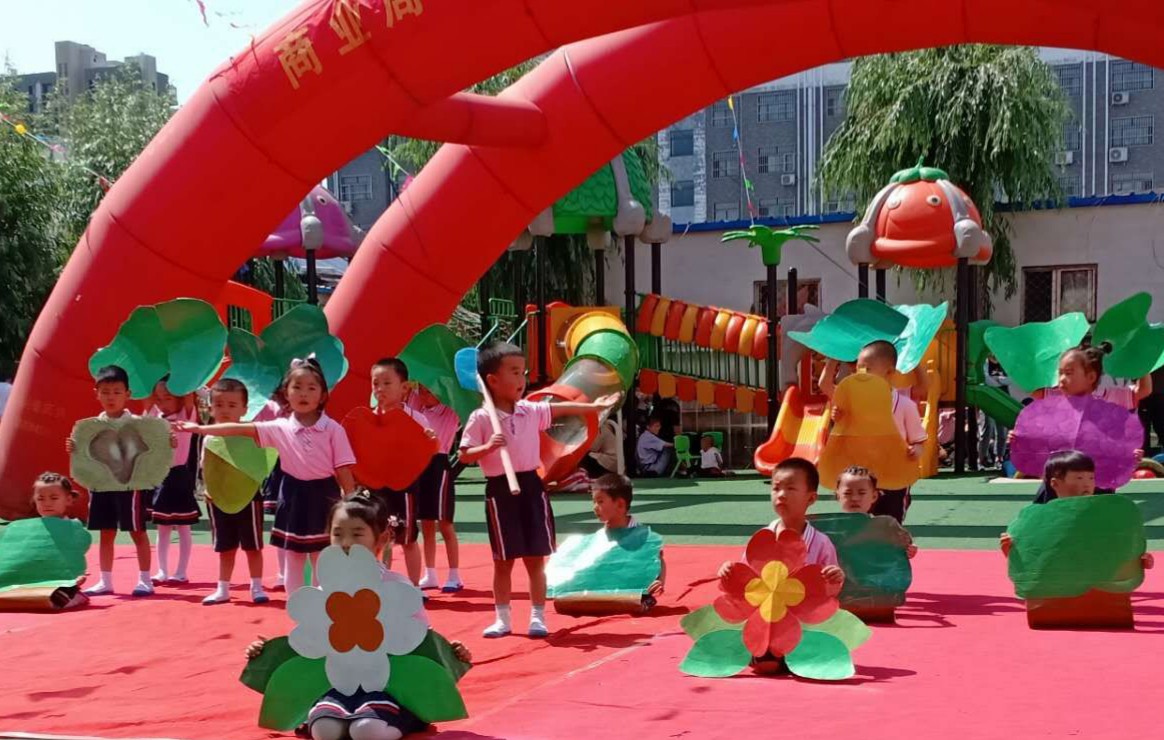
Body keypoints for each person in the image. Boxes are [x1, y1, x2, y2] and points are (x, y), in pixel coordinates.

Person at [244, 494, 472, 740]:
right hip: (338, 683)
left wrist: (454, 654)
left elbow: (420, 640)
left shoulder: (397, 588)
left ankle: (402, 719)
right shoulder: (324, 590)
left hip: (389, 686)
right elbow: (310, 642)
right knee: (324, 730)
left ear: (381, 538)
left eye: (357, 534)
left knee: (366, 730)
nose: (346, 542)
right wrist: (264, 651)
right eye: (338, 534)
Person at [458, 341, 620, 639]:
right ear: (492, 380)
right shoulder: (481, 418)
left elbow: (559, 407)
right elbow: (464, 455)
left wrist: (593, 407)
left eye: (523, 372)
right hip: (499, 490)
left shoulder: (530, 410)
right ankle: (502, 618)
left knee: (536, 558)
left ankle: (537, 616)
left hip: (532, 487)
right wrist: (488, 446)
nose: (521, 379)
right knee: (503, 560)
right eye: (514, 372)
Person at [174, 358, 357, 594]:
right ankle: (296, 604)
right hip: (292, 496)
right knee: (293, 555)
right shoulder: (279, 427)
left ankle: (324, 603)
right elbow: (238, 428)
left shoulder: (333, 429)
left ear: (322, 395)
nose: (304, 393)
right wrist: (200, 429)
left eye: (311, 388)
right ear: (286, 394)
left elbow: (343, 469)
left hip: (325, 496)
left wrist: (351, 503)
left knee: (322, 554)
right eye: (297, 387)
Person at [717, 458, 845, 674]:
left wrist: (836, 578)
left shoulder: (821, 542)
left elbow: (831, 594)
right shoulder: (761, 539)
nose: (781, 494)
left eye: (791, 488)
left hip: (804, 623)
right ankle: (767, 652)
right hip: (768, 621)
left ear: (811, 498)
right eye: (776, 488)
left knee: (809, 653)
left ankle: (792, 654)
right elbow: (746, 584)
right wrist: (728, 572)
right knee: (765, 661)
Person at [66, 365, 167, 597]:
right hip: (102, 485)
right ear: (97, 394)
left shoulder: (139, 424)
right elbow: (85, 455)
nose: (111, 397)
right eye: (105, 392)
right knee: (106, 532)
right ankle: (105, 581)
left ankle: (145, 580)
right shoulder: (90, 427)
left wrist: (166, 442)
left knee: (137, 531)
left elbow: (154, 448)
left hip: (131, 485)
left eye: (116, 392)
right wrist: (74, 447)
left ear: (127, 394)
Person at [1012, 344, 1150, 498]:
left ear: (1091, 377)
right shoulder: (1055, 396)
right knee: (1049, 510)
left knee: (1095, 510)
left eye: (1069, 373)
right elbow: (1031, 389)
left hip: (1096, 479)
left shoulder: (1109, 397)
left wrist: (1143, 364)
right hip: (1060, 479)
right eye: (1060, 373)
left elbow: (1143, 390)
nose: (1062, 379)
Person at [820, 340, 927, 523]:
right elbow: (826, 387)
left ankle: (892, 541)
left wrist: (916, 450)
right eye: (858, 369)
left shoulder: (904, 404)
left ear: (889, 372)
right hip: (862, 475)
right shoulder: (852, 399)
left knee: (890, 521)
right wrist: (839, 416)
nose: (860, 374)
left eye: (867, 369)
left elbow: (919, 440)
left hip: (893, 473)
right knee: (857, 521)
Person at [1002, 450, 1155, 572]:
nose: (1087, 484)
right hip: (1056, 586)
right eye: (1079, 478)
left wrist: (1138, 561)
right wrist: (1013, 551)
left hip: (1097, 588)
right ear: (1055, 483)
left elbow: (1118, 550)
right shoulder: (1041, 519)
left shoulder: (1103, 517)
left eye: (1091, 478)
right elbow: (1032, 555)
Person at [201, 379, 269, 605]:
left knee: (253, 545)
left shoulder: (252, 434)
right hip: (219, 498)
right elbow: (206, 467)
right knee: (225, 547)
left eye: (232, 405)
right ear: (211, 408)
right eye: (219, 405)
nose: (225, 410)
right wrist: (209, 489)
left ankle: (257, 587)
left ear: (244, 409)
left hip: (249, 497)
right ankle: (223, 589)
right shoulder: (209, 437)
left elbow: (261, 464)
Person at [365, 358, 432, 585]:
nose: (380, 389)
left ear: (404, 388)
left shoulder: (417, 419)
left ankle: (414, 588)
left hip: (406, 488)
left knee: (408, 538)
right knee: (376, 537)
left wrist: (429, 440)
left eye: (387, 383)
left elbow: (429, 450)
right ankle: (376, 585)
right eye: (375, 383)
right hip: (375, 488)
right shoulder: (367, 418)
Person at [408, 383, 463, 593]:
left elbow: (457, 391)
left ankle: (454, 575)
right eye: (421, 390)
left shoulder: (449, 410)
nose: (423, 394)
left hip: (439, 465)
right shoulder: (416, 406)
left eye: (428, 390)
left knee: (445, 522)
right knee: (426, 523)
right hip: (418, 465)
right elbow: (410, 388)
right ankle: (430, 573)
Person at [146, 378, 201, 585]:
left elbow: (188, 395)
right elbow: (147, 402)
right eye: (159, 399)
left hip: (179, 475)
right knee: (162, 527)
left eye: (167, 398)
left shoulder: (185, 416)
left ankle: (181, 571)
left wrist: (182, 374)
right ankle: (162, 570)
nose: (162, 403)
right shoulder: (155, 415)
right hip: (160, 476)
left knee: (183, 525)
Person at [591, 473, 665, 604]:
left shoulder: (644, 537)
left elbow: (657, 560)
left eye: (600, 501)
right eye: (594, 502)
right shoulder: (598, 538)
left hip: (634, 594)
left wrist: (658, 581)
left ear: (620, 504)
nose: (595, 507)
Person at [833, 466, 917, 558]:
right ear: (837, 496)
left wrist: (909, 550)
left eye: (862, 493)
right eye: (847, 493)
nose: (855, 498)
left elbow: (902, 551)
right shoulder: (829, 528)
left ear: (874, 496)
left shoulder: (887, 527)